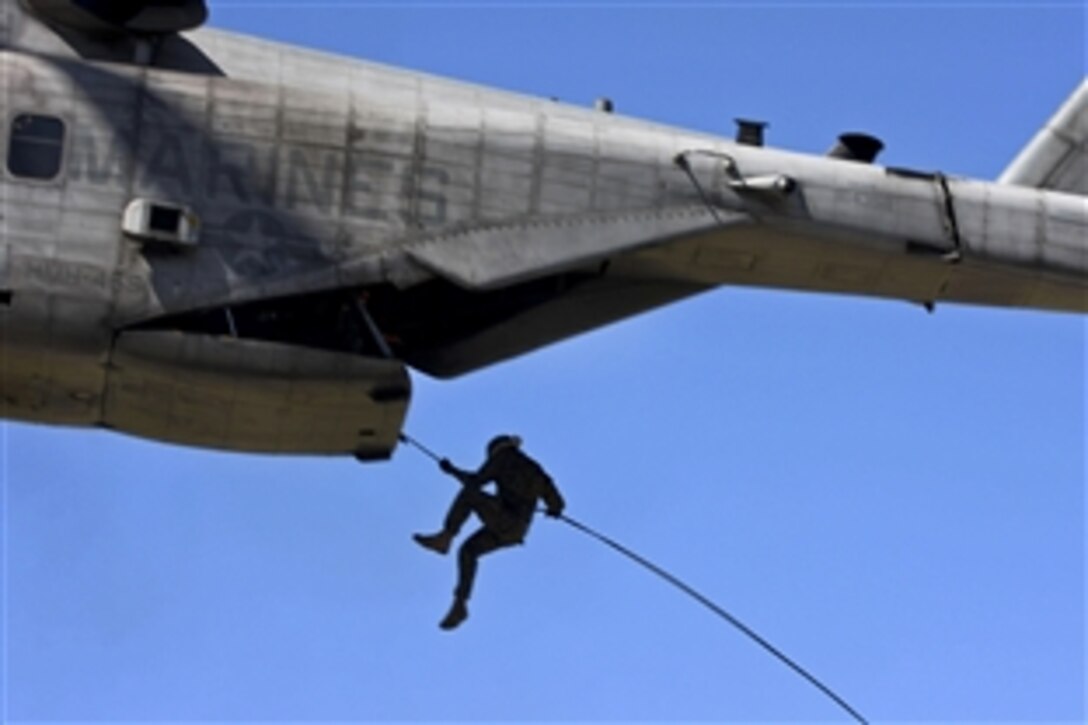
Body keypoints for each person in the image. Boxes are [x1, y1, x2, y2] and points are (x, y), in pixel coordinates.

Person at [413, 434, 566, 630]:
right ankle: (460, 604)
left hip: (505, 518)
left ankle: (446, 536)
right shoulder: (535, 468)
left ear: (496, 450)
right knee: (468, 551)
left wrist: (452, 471)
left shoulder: (503, 458)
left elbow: (477, 481)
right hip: (517, 530)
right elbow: (557, 502)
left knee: (470, 494)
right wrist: (555, 510)